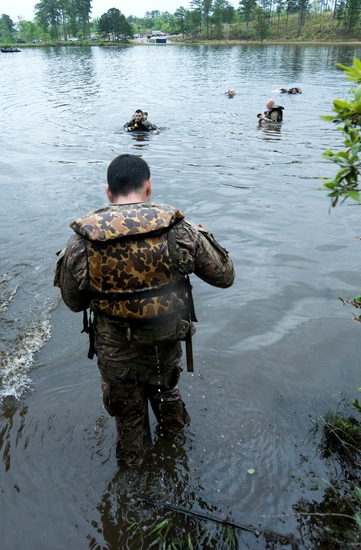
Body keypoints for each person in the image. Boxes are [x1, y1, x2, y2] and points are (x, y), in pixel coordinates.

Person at [54, 154, 235, 467]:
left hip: (116, 353)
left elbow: (74, 303)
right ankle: (180, 458)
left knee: (128, 420)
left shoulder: (81, 242)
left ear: (109, 193)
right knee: (168, 397)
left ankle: (136, 488)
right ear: (148, 186)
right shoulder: (179, 230)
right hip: (164, 344)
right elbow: (225, 276)